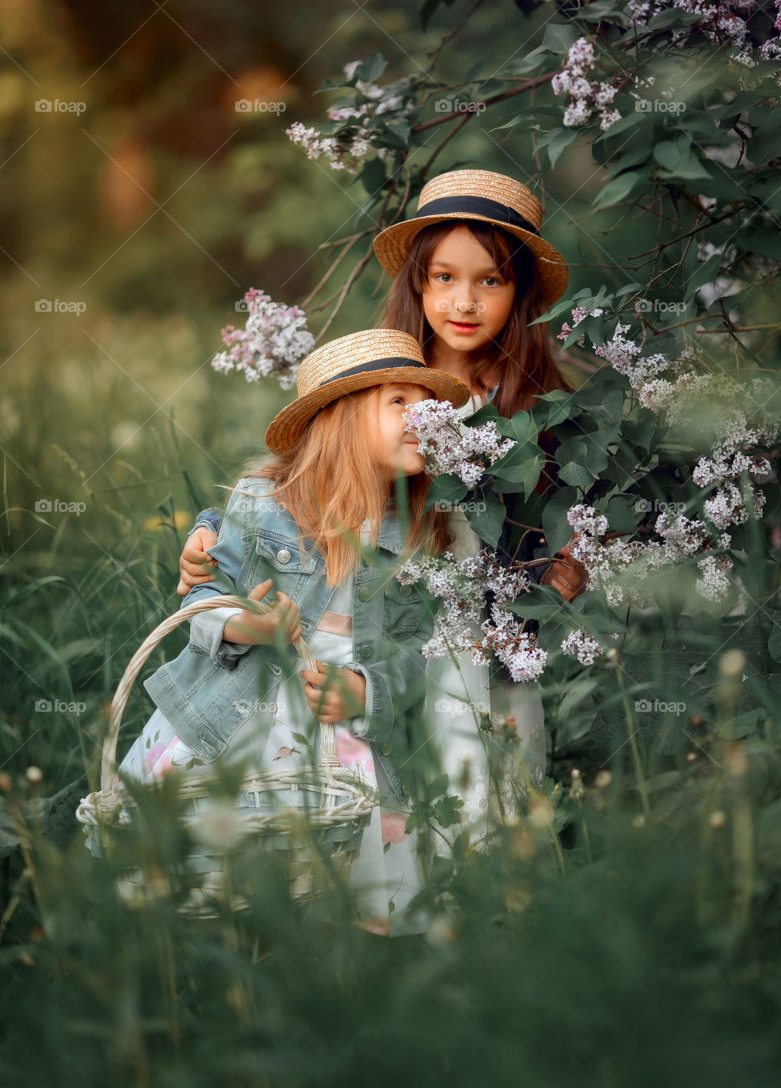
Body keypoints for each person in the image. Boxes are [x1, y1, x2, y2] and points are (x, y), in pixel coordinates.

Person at [178, 170, 588, 840]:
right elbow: (305, 485)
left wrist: (570, 565)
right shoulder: (389, 378)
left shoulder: (541, 412)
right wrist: (209, 530)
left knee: (491, 791)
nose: (464, 300)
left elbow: (588, 512)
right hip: (391, 613)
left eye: (490, 280)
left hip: (488, 628)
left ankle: (485, 908)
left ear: (519, 292)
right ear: (418, 284)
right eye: (443, 278)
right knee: (388, 786)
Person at [112, 329, 470, 934]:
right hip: (237, 715)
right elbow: (202, 595)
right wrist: (244, 625)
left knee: (342, 881)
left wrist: (366, 689)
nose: (423, 417)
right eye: (399, 403)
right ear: (343, 422)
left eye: (428, 403)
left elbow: (421, 652)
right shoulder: (265, 505)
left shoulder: (418, 535)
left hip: (343, 737)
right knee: (215, 868)